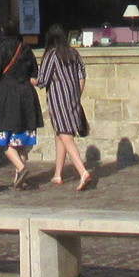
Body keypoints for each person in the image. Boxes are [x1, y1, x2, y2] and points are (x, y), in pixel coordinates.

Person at [0, 29, 44, 190]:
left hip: (6, 94)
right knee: (21, 141)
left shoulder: (0, 47)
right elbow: (34, 72)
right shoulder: (25, 47)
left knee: (3, 138)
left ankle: (21, 168)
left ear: (2, 30)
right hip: (26, 93)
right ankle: (19, 179)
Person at [36, 26, 94, 191]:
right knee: (60, 134)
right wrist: (77, 95)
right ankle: (58, 174)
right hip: (73, 99)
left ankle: (82, 171)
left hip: (58, 100)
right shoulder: (74, 53)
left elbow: (42, 81)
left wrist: (27, 79)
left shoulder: (51, 55)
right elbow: (82, 76)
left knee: (65, 135)